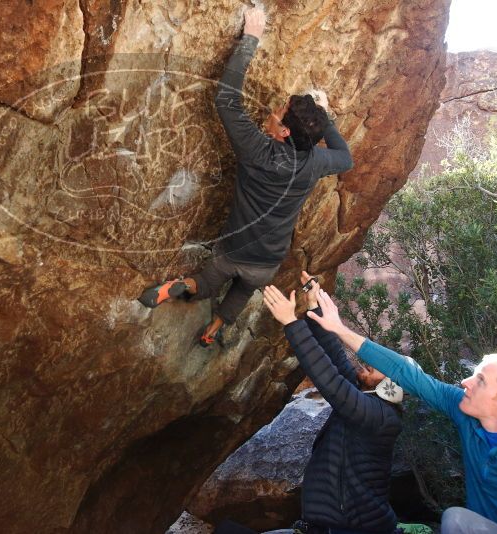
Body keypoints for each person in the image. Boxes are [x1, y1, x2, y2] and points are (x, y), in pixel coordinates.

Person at [137, 7, 353, 347]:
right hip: (267, 259)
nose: (273, 111)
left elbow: (226, 100)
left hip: (234, 248)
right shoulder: (316, 162)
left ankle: (186, 288)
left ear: (282, 131)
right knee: (241, 293)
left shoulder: (256, 149)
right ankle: (215, 328)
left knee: (208, 281)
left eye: (279, 112)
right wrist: (324, 121)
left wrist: (251, 38)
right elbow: (346, 158)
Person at [305, 288, 497, 534]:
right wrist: (338, 328)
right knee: (455, 519)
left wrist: (292, 323)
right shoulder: (465, 412)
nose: (465, 383)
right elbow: (409, 374)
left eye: (480, 381)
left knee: (455, 519)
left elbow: (333, 381)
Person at [264, 272, 404, 534]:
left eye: (383, 367)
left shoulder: (380, 417)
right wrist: (314, 305)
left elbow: (330, 381)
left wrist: (291, 322)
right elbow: (336, 359)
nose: (373, 362)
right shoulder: (368, 399)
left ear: (391, 385)